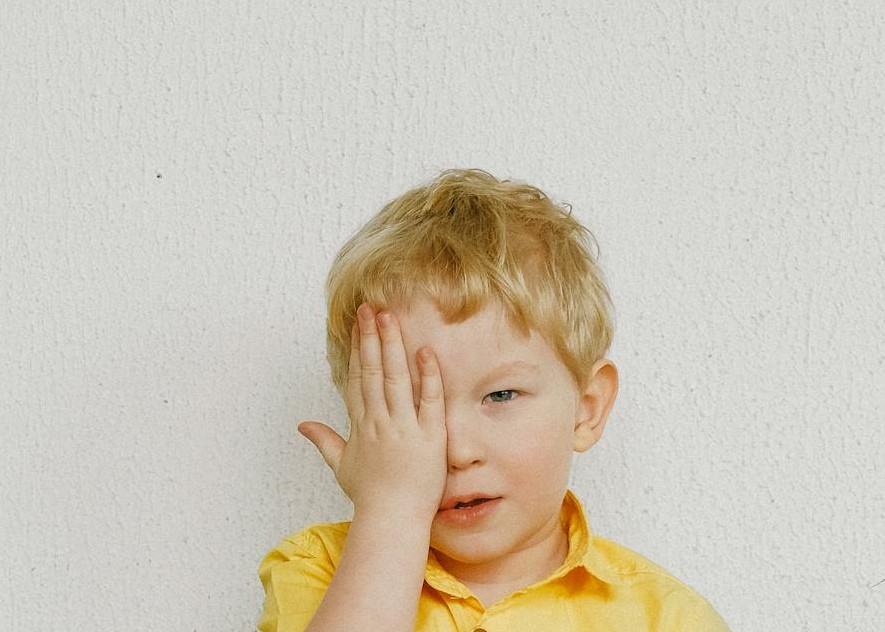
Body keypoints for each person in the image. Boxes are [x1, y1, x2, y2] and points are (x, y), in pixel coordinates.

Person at [257, 169, 729, 631]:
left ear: (587, 408)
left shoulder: (666, 618)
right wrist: (392, 507)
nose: (459, 452)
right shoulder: (316, 568)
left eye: (500, 395)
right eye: (417, 407)